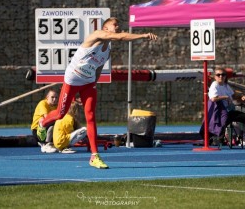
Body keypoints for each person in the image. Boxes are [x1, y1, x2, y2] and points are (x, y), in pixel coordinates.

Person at [37, 17, 158, 168]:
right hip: (72, 80)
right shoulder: (96, 35)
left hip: (88, 83)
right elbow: (120, 37)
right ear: (106, 29)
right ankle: (43, 123)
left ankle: (94, 156)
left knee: (91, 117)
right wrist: (143, 35)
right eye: (115, 25)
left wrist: (92, 85)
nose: (118, 26)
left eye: (118, 24)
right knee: (60, 113)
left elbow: (98, 68)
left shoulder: (107, 52)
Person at [31, 89, 59, 153]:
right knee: (46, 121)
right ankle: (47, 143)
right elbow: (47, 118)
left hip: (50, 129)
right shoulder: (43, 103)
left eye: (56, 97)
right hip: (37, 131)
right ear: (47, 97)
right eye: (52, 97)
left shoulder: (57, 106)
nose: (54, 99)